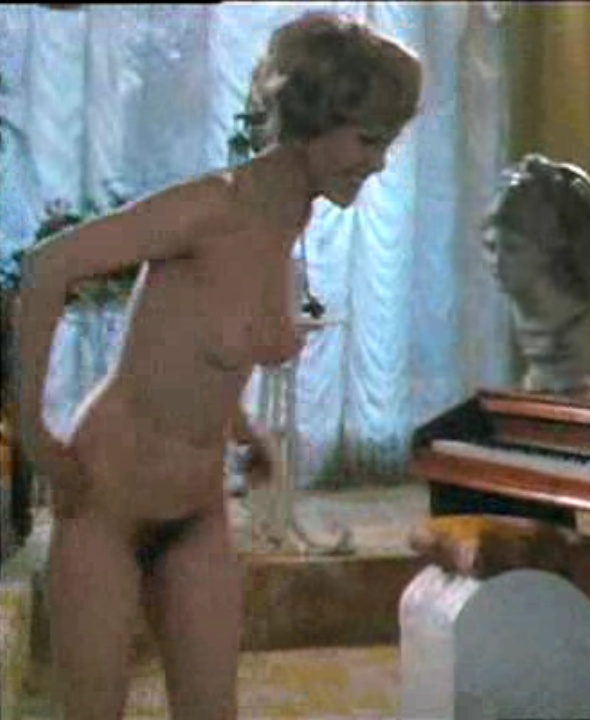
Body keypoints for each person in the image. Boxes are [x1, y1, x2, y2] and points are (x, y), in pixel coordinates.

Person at [15, 12, 423, 719]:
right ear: (314, 121)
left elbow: (190, 339)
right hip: (106, 503)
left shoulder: (290, 217)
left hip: (197, 508)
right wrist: (33, 435)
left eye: (386, 142)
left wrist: (242, 428)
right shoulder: (212, 205)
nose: (380, 162)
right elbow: (48, 267)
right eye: (368, 140)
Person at [480, 153, 590, 394]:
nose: (497, 262)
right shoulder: (520, 308)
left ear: (548, 247)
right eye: (490, 247)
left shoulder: (567, 311)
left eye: (513, 248)